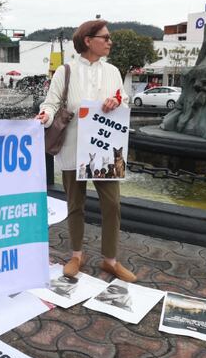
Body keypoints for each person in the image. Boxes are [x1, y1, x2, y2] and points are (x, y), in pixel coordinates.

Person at [36, 20, 135, 283]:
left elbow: (123, 99)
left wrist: (117, 100)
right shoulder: (65, 71)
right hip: (72, 147)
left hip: (105, 149)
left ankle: (110, 259)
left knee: (112, 204)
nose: (110, 41)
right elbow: (51, 103)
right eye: (105, 37)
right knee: (75, 204)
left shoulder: (113, 71)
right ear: (88, 40)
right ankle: (76, 255)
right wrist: (43, 116)